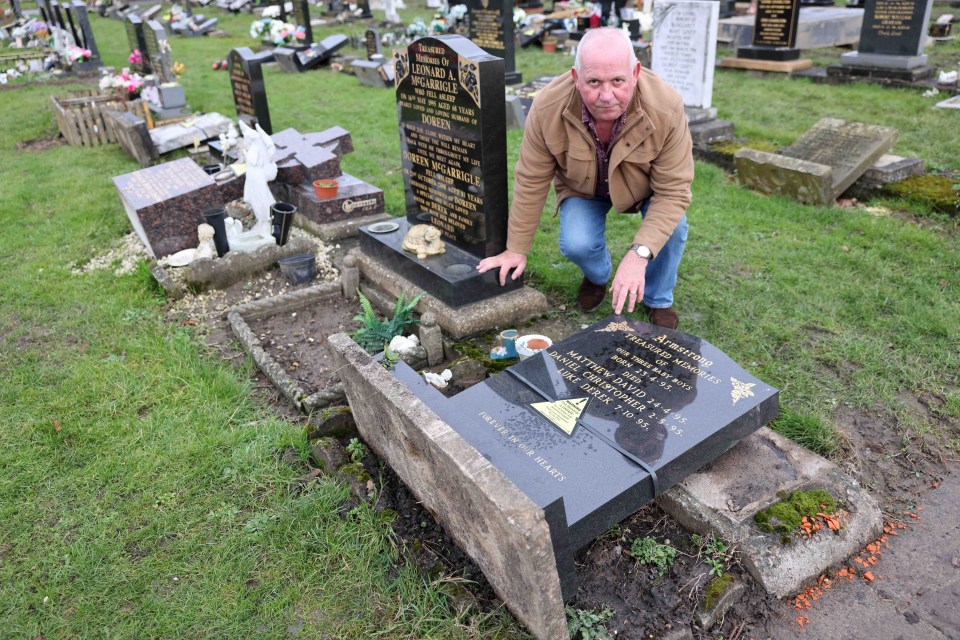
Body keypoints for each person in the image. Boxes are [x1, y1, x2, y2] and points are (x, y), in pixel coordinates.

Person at [477, 27, 693, 329]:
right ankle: (597, 277)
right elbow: (531, 180)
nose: (606, 96)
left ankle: (657, 297)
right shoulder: (547, 108)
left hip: (646, 189)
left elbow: (673, 192)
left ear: (635, 73)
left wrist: (637, 255)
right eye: (593, 82)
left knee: (673, 228)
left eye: (618, 81)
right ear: (576, 78)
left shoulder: (666, 108)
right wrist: (516, 249)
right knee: (576, 243)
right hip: (582, 187)